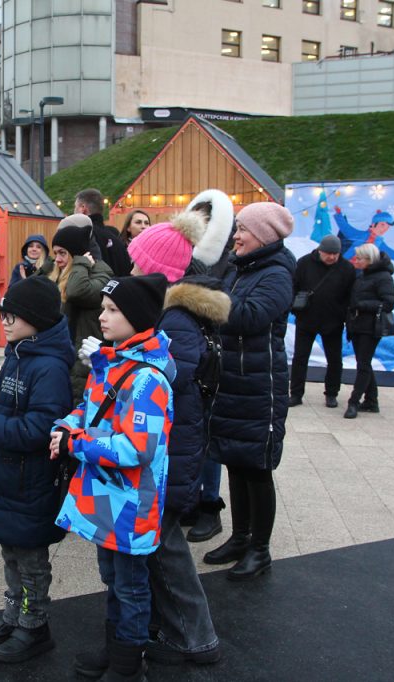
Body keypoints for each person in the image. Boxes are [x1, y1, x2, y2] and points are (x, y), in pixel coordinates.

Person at [52, 274, 175, 681]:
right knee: (113, 578)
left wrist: (76, 443)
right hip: (107, 497)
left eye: (112, 310)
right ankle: (116, 648)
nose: (102, 317)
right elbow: (90, 412)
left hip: (131, 503)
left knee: (130, 585)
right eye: (103, 308)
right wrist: (66, 427)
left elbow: (137, 448)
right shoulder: (113, 363)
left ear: (136, 318)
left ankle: (128, 664)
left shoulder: (147, 380)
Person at [126, 212, 229, 666]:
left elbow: (164, 382)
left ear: (157, 273)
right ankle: (169, 625)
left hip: (170, 453)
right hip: (172, 448)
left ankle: (196, 637)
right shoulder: (174, 315)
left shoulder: (173, 324)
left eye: (135, 265)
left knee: (166, 549)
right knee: (160, 546)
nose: (129, 271)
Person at [0, 276, 74, 664]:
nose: (4, 322)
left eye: (12, 316)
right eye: (3, 314)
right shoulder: (20, 354)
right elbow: (10, 411)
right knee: (11, 553)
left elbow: (41, 430)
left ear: (36, 319)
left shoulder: (50, 367)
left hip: (30, 481)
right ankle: (14, 617)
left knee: (30, 561)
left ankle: (35, 625)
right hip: (9, 477)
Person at [204, 202, 295, 582]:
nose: (235, 236)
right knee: (235, 461)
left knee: (256, 467)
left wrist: (204, 296)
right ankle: (240, 537)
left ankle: (261, 549)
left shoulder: (276, 273)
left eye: (242, 230)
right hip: (233, 381)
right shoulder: (243, 269)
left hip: (259, 384)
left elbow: (249, 316)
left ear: (264, 236)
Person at [181, 189, 236, 541]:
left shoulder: (226, 262)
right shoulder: (181, 256)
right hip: (182, 348)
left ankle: (209, 505)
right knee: (187, 430)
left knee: (208, 434)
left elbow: (224, 307)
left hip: (212, 354)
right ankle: (187, 498)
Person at [50, 215, 114, 401]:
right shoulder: (64, 272)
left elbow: (77, 292)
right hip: (65, 355)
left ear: (76, 253)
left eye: (62, 253)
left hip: (84, 357)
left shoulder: (100, 271)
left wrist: (80, 263)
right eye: (55, 254)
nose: (57, 260)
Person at [289, 234, 356, 408]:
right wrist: (295, 309)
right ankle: (296, 393)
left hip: (333, 322)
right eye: (328, 253)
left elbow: (350, 296)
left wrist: (343, 316)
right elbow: (293, 287)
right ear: (320, 251)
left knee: (334, 360)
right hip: (307, 319)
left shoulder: (347, 268)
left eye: (336, 254)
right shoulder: (304, 263)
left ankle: (332, 393)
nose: (332, 257)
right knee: (300, 358)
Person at [344, 243, 394, 419]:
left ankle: (354, 401)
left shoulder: (383, 277)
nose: (356, 261)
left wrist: (363, 306)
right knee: (363, 362)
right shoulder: (362, 276)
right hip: (357, 325)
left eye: (359, 258)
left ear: (369, 260)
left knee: (363, 364)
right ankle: (371, 401)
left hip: (371, 326)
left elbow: (389, 303)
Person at [75, 188, 132, 276]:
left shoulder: (83, 235)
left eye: (75, 207)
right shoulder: (116, 238)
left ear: (83, 208)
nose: (74, 211)